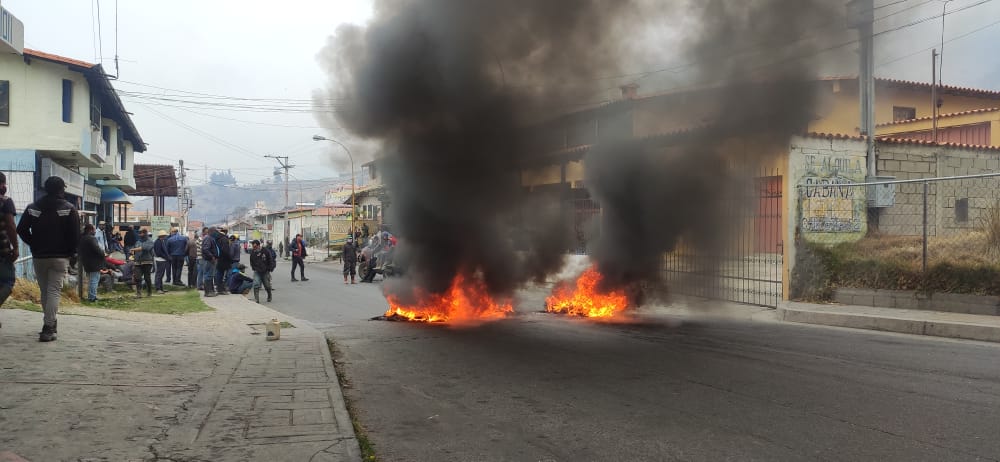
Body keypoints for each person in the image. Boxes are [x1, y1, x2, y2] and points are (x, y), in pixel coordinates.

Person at [17, 176, 80, 342]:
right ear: (62, 190)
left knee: (45, 291)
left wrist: (34, 243)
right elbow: (75, 235)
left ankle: (50, 322)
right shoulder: (69, 208)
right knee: (53, 291)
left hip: (39, 256)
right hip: (60, 257)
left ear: (45, 189)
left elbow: (21, 229)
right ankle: (48, 326)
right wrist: (72, 253)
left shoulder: (33, 207)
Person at [0, 172, 18, 329]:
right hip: (2, 251)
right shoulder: (5, 201)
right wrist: (16, 247)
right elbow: (11, 226)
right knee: (8, 281)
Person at [78, 223, 105, 303]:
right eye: (93, 229)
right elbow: (97, 249)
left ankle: (91, 296)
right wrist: (103, 253)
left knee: (91, 280)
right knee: (94, 280)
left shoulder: (82, 238)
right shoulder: (91, 238)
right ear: (90, 230)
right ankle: (92, 297)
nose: (95, 231)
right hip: (94, 263)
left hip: (86, 262)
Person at [131, 228, 155, 298]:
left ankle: (149, 292)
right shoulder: (138, 242)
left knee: (147, 278)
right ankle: (139, 293)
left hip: (147, 261)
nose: (140, 234)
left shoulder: (150, 241)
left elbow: (145, 248)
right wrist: (132, 254)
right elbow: (135, 250)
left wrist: (133, 249)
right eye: (139, 233)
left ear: (145, 233)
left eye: (141, 233)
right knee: (137, 277)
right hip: (138, 262)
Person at [200, 227, 221, 297]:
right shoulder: (208, 238)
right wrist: (212, 257)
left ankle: (211, 291)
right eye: (215, 232)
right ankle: (208, 292)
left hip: (210, 260)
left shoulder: (210, 238)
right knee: (208, 275)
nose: (216, 234)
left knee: (210, 275)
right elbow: (205, 249)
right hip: (209, 260)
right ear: (212, 232)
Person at [214, 227, 233, 295]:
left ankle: (219, 288)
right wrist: (230, 258)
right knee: (223, 275)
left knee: (219, 274)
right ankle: (221, 289)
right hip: (224, 259)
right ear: (226, 232)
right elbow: (226, 250)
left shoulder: (217, 238)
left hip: (218, 258)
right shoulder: (224, 239)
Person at [153, 229, 170, 294]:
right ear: (162, 236)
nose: (165, 236)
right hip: (160, 260)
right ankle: (158, 288)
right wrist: (166, 257)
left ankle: (161, 288)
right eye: (164, 235)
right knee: (159, 275)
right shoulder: (158, 242)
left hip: (162, 259)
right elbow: (158, 253)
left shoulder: (161, 241)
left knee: (161, 275)